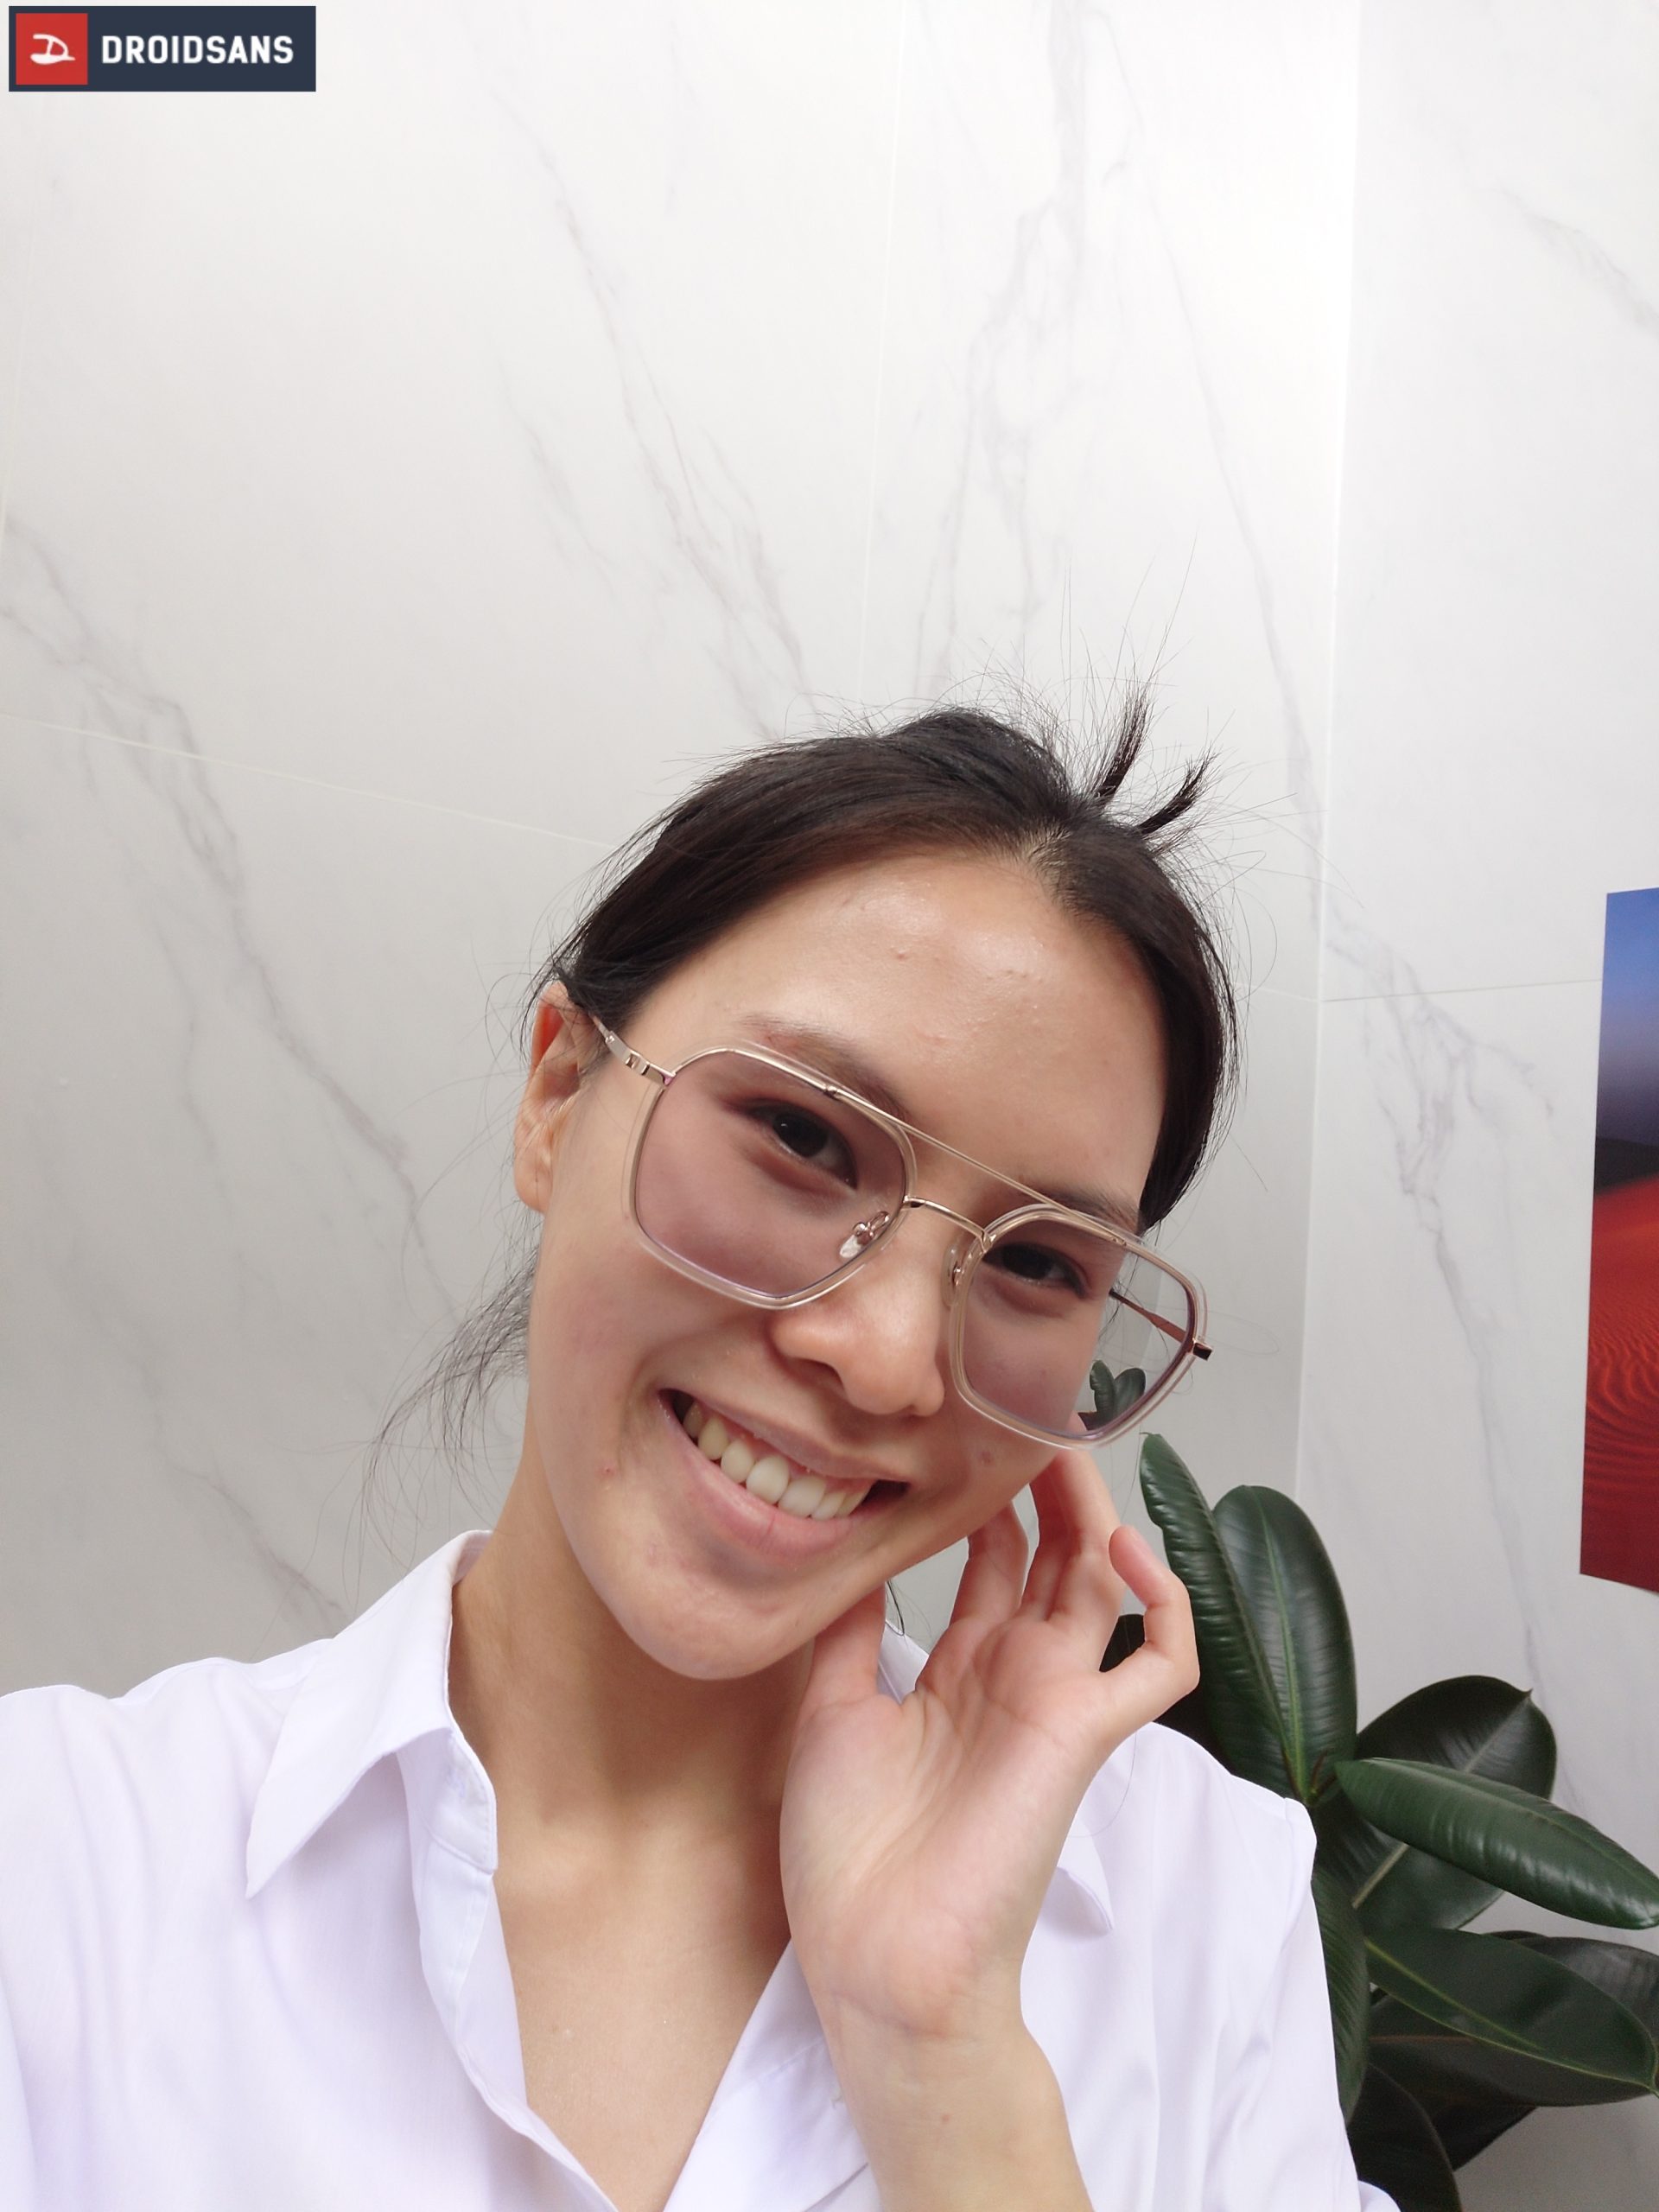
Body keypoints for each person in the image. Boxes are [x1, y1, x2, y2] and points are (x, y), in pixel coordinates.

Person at [0, 690, 1396, 2211]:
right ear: (556, 1095)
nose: (885, 1355)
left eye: (1041, 1262)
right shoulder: (59, 1864)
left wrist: (943, 2057)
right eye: (802, 1137)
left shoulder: (1208, 1913)